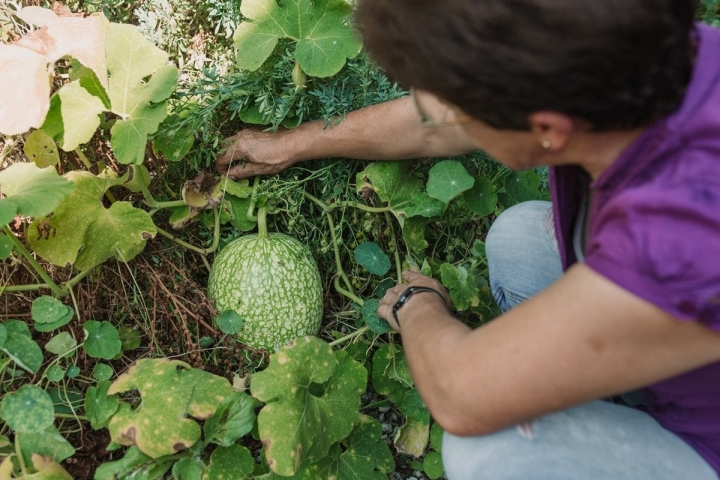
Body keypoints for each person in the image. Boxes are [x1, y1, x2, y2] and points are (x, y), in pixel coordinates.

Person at [216, 0, 720, 478]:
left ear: (546, 128)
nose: (432, 117)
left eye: (450, 108)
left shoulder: (682, 234)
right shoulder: (635, 57)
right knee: (520, 239)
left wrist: (419, 306)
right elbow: (428, 129)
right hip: (681, 323)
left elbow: (461, 395)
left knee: (488, 449)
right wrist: (292, 144)